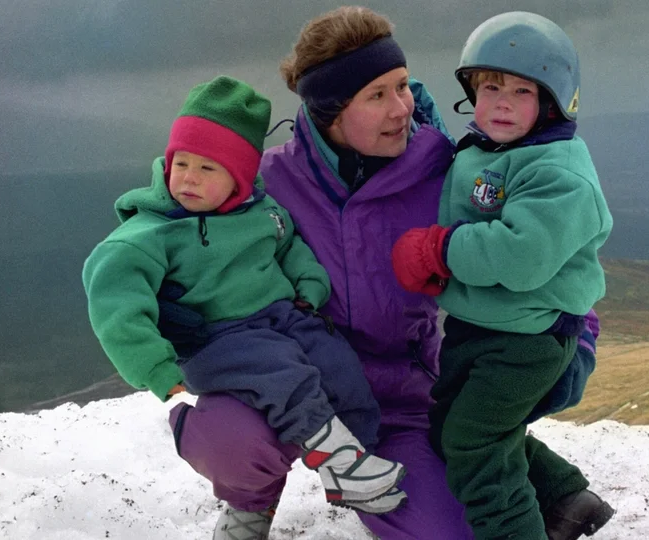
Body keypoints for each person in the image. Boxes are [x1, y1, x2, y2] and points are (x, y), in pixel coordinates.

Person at [160, 7, 475, 540]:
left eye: (402, 86)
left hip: (396, 400)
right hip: (290, 381)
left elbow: (529, 247)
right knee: (230, 438)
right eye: (377, 95)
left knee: (449, 533)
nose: (401, 108)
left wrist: (571, 343)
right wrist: (169, 300)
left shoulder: (440, 171)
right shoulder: (268, 183)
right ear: (331, 109)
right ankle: (251, 502)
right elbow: (176, 227)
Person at [80, 75, 409, 527]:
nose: (189, 178)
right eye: (182, 164)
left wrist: (309, 287)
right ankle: (340, 462)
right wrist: (153, 366)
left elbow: (289, 246)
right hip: (221, 337)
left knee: (338, 367)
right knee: (285, 378)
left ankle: (361, 457)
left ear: (238, 178)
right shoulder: (149, 235)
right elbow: (114, 301)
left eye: (208, 168)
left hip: (282, 318)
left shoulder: (261, 212)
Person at [390, 12, 616, 540]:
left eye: (522, 90)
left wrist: (439, 250)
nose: (504, 102)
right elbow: (463, 184)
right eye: (491, 87)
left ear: (554, 103)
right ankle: (567, 498)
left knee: (475, 444)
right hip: (484, 327)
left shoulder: (555, 170)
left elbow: (522, 256)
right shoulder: (491, 149)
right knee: (457, 430)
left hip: (529, 338)